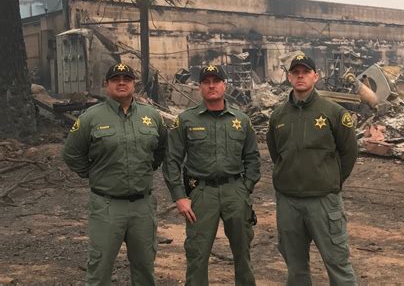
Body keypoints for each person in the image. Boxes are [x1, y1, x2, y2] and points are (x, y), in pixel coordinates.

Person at [63, 62, 167, 286]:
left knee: (145, 269)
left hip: (143, 206)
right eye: (116, 79)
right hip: (106, 206)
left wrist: (146, 169)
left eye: (127, 79)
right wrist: (94, 174)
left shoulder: (152, 116)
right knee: (99, 269)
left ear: (134, 84)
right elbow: (71, 154)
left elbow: (161, 150)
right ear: (106, 84)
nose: (122, 82)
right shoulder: (90, 118)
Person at [163, 64, 261, 286]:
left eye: (216, 81)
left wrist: (245, 188)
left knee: (243, 253)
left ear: (224, 85)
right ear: (200, 87)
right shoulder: (186, 120)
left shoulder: (241, 120)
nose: (211, 86)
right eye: (206, 82)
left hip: (235, 191)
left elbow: (253, 158)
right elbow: (171, 161)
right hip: (202, 193)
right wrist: (179, 196)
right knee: (197, 254)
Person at [266, 54, 358, 286]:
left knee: (337, 264)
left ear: (315, 76)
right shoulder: (278, 116)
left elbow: (349, 153)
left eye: (305, 72)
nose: (300, 76)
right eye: (295, 72)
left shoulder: (334, 113)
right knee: (295, 269)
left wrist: (332, 180)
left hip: (323, 202)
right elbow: (276, 152)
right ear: (288, 77)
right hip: (289, 203)